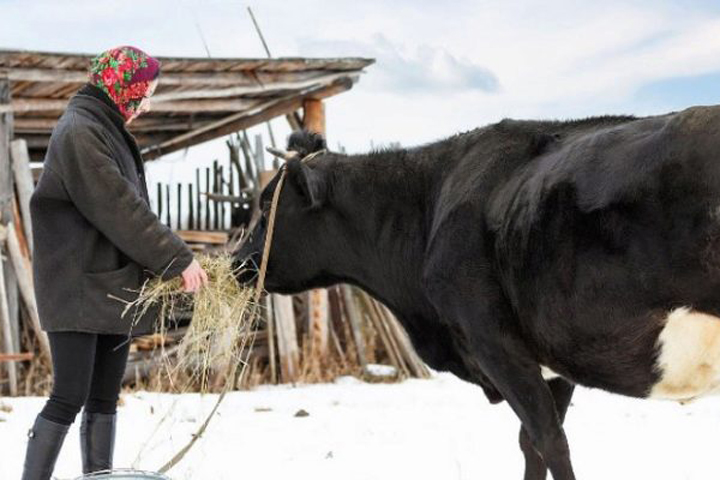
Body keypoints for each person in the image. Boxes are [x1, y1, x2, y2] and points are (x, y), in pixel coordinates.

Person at [21, 46, 208, 480]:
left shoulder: (104, 128)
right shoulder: (80, 133)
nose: (147, 104)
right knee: (69, 396)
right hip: (76, 289)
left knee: (104, 397)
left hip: (109, 286)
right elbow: (120, 208)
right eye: (145, 93)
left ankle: (98, 478)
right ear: (124, 89)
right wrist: (175, 258)